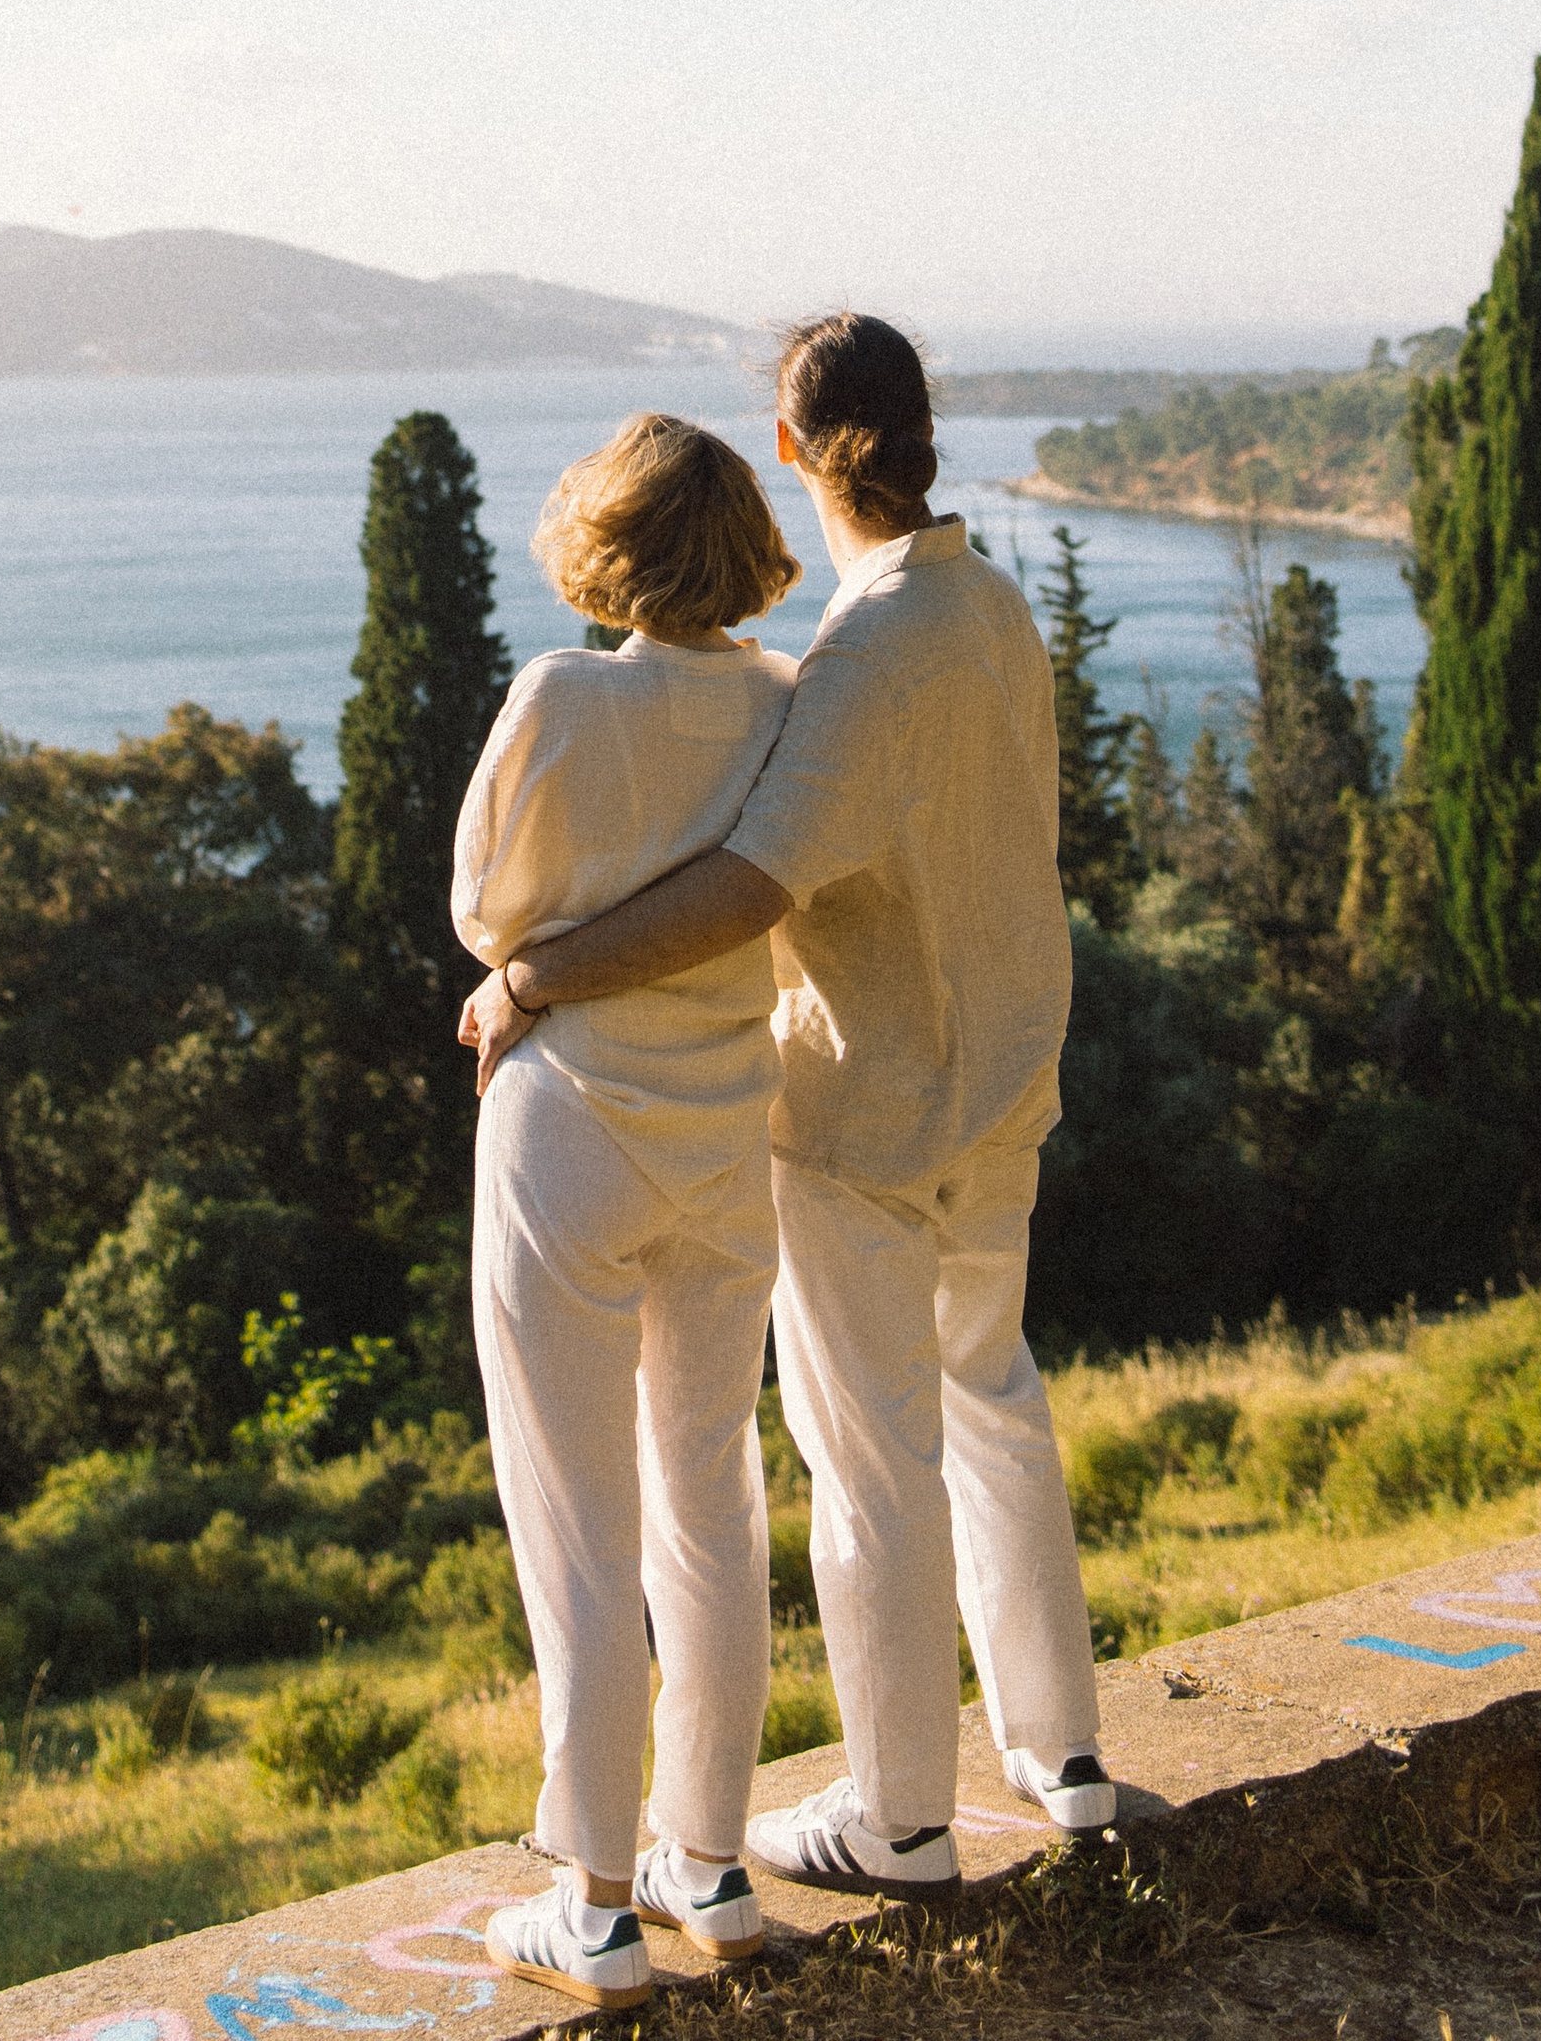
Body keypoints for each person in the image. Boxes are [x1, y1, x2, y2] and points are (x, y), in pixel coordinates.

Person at [463, 314, 1112, 1902]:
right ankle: (1064, 1757)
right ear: (921, 430)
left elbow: (741, 888)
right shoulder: (994, 611)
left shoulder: (864, 656)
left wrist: (540, 978)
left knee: (869, 1453)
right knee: (993, 1396)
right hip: (1007, 1074)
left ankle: (898, 1819)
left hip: (869, 1101)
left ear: (795, 450)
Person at [453, 412, 803, 2010]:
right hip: (733, 1129)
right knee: (712, 1492)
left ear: (604, 542)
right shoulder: (790, 704)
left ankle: (592, 1893)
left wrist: (539, 953)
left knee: (575, 1520)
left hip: (568, 1125)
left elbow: (482, 912)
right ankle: (709, 1864)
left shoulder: (560, 696)